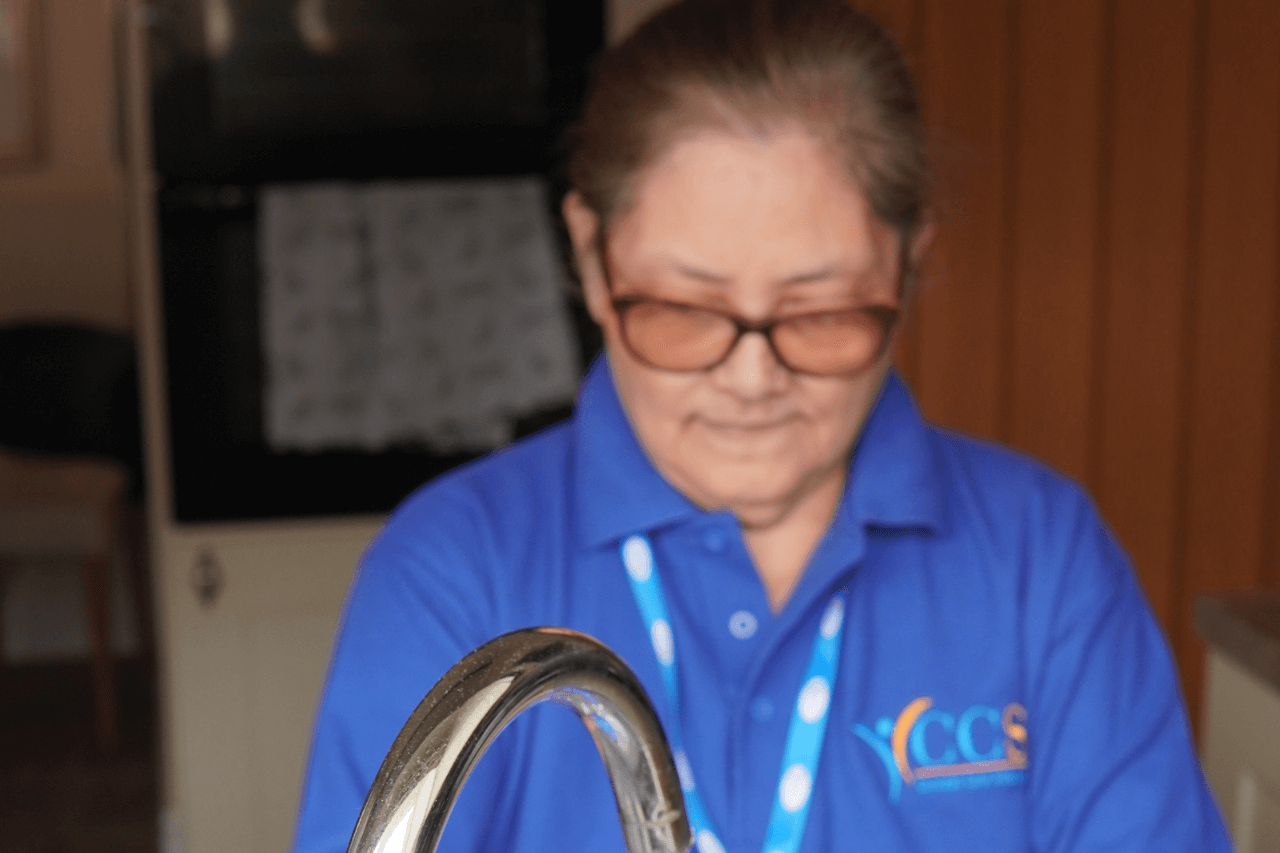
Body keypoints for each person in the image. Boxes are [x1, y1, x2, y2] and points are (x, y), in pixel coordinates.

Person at [291, 1, 1232, 851]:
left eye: (819, 312)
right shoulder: (453, 565)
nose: (753, 377)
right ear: (589, 252)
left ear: (907, 270)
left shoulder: (1042, 556)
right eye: (685, 310)